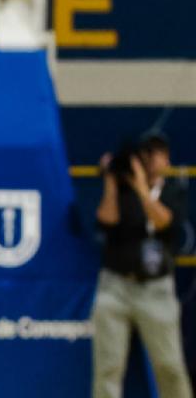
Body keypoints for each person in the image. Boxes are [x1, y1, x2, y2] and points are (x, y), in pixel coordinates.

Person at [92, 132, 192, 398]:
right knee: (108, 368)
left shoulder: (172, 189)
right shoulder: (121, 188)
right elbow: (106, 221)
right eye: (157, 155)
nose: (164, 161)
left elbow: (164, 223)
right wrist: (111, 181)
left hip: (156, 289)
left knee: (169, 366)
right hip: (115, 286)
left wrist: (141, 188)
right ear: (144, 158)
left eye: (166, 155)